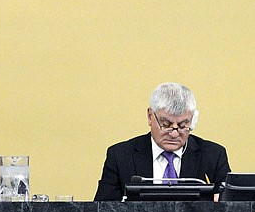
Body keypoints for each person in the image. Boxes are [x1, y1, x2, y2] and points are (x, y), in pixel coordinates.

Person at [94, 82, 230, 201]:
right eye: (166, 124)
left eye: (183, 125)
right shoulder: (120, 156)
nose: (174, 133)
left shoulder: (213, 156)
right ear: (149, 116)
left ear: (193, 120)